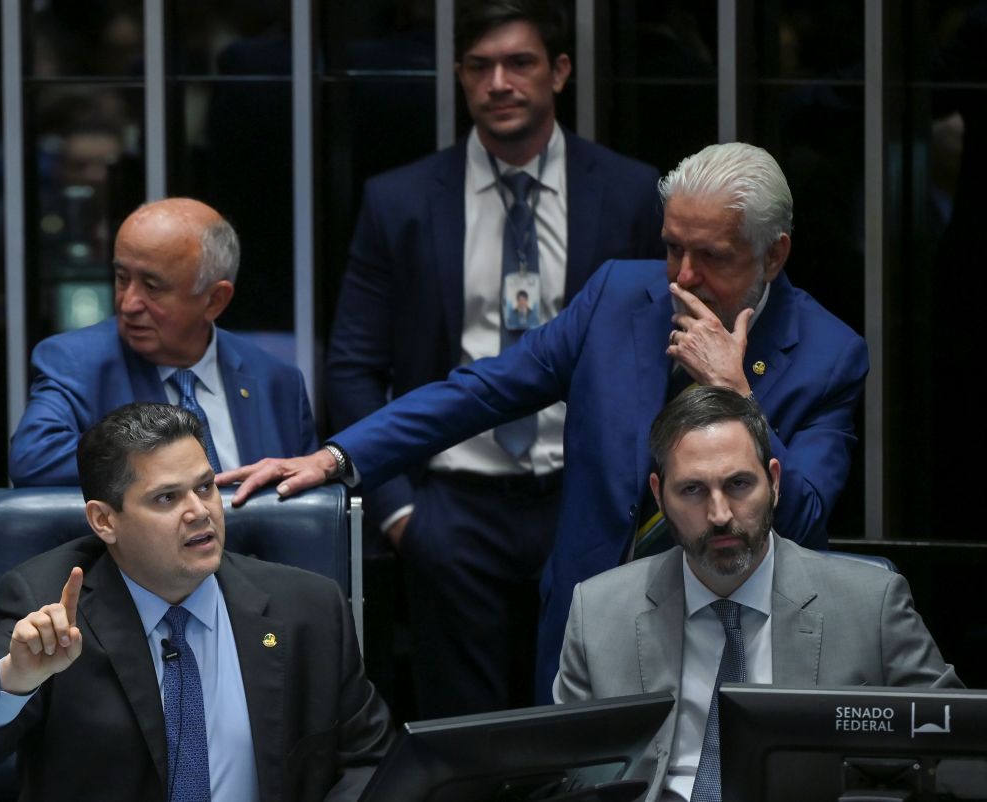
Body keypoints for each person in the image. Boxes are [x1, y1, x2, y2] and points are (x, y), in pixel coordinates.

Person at [220, 142, 870, 703]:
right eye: (673, 248)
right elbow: (485, 390)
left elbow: (806, 519)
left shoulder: (828, 354)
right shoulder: (620, 295)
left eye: (713, 257)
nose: (684, 277)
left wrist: (735, 394)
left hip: (736, 634)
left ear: (774, 254)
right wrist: (337, 458)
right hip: (594, 624)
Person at [323, 0, 663, 717]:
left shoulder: (630, 193)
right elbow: (354, 363)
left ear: (560, 72)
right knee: (462, 732)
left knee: (579, 716)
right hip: (450, 510)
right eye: (479, 67)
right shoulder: (402, 201)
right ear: (459, 75)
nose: (499, 83)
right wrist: (397, 513)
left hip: (584, 495)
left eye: (520, 63)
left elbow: (660, 353)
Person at [0, 403, 393, 801]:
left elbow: (369, 762)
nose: (199, 511)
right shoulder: (51, 601)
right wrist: (14, 682)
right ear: (105, 521)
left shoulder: (308, 608)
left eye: (206, 486)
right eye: (167, 498)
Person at [553, 386, 960, 802]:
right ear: (659, 495)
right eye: (692, 490)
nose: (719, 514)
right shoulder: (598, 611)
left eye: (739, 484)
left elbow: (956, 747)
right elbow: (569, 774)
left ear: (774, 481)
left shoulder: (870, 602)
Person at [9, 197, 318, 486]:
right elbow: (33, 460)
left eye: (152, 287)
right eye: (121, 278)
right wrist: (165, 461)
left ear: (214, 300)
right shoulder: (77, 362)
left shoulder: (276, 381)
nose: (128, 304)